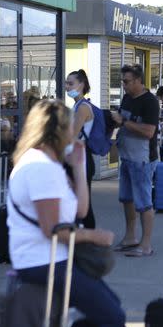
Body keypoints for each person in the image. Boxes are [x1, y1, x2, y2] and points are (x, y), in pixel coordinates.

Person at [7, 99, 151, 327]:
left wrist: (78, 166)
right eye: (70, 126)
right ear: (56, 130)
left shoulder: (46, 164)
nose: (75, 132)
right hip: (44, 261)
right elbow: (53, 230)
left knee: (110, 307)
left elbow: (79, 211)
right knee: (112, 316)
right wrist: (94, 237)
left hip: (52, 259)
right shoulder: (39, 169)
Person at [110, 65, 159, 258]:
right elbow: (121, 121)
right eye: (122, 81)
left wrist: (123, 122)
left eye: (127, 81)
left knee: (144, 202)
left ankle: (146, 244)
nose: (124, 85)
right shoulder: (127, 98)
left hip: (143, 159)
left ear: (138, 80)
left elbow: (149, 132)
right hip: (127, 156)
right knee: (127, 199)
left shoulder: (150, 102)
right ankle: (130, 238)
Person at [66, 69, 97, 229]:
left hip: (81, 157)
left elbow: (73, 134)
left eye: (71, 83)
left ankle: (90, 238)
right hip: (78, 155)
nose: (67, 87)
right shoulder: (78, 105)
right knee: (77, 198)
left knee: (84, 201)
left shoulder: (83, 107)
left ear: (81, 85)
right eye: (66, 83)